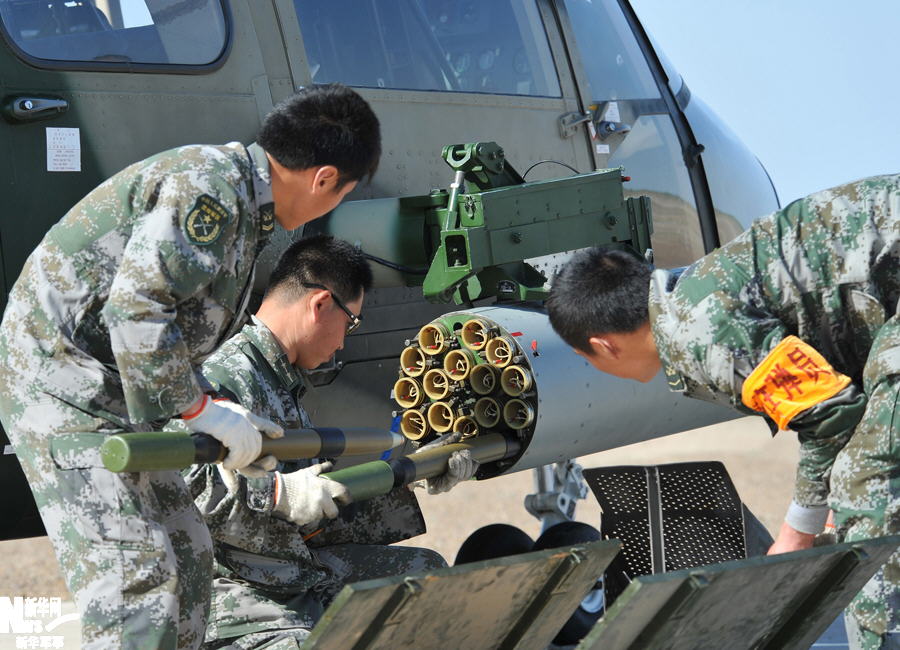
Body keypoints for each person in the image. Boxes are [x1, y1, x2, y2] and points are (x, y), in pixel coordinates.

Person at [0, 84, 381, 649]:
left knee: (189, 551)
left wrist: (215, 406)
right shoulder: (210, 190)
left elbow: (176, 327)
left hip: (115, 386)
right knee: (139, 577)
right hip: (64, 385)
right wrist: (199, 408)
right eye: (342, 193)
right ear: (324, 179)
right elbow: (137, 310)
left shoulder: (246, 209)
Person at [546, 175, 899, 650]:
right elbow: (843, 393)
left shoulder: (701, 336)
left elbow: (830, 414)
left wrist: (798, 532)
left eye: (586, 359)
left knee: (868, 483)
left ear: (603, 345)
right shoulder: (693, 293)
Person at [181, 235, 466, 648]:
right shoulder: (226, 376)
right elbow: (186, 487)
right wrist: (276, 495)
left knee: (426, 577)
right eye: (350, 323)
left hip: (291, 572)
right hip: (234, 590)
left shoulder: (275, 377)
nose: (342, 342)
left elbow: (313, 511)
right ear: (320, 305)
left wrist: (414, 473)